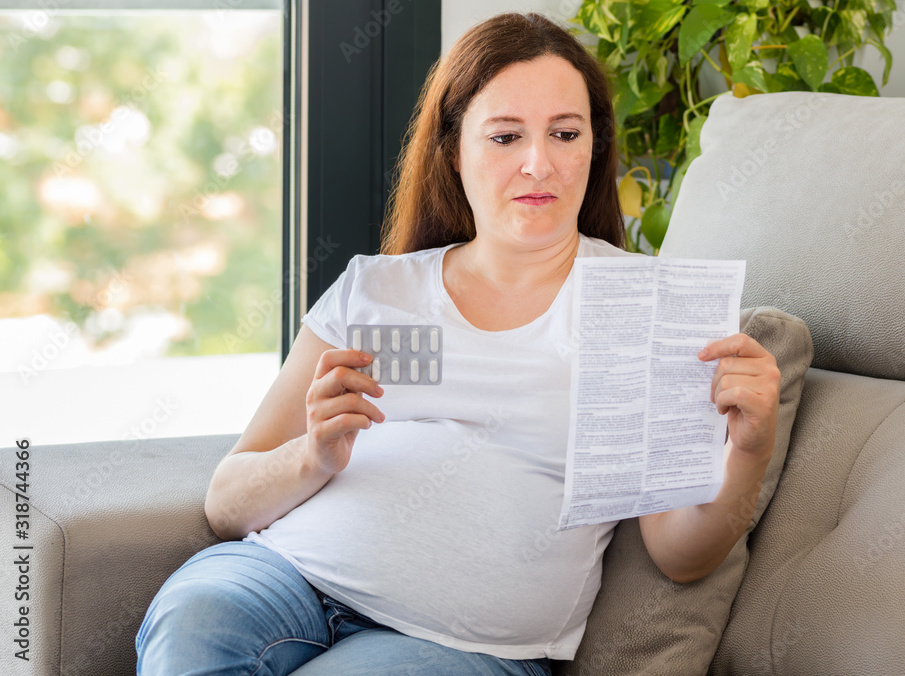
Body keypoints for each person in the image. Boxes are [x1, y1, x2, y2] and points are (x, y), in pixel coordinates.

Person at [135, 11, 780, 676]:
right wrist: (314, 454)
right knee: (198, 621)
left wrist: (751, 449)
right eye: (505, 136)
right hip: (284, 573)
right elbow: (226, 503)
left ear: (594, 146)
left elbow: (682, 554)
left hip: (459, 647)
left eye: (565, 133)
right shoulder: (376, 287)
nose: (540, 164)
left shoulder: (646, 305)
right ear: (453, 150)